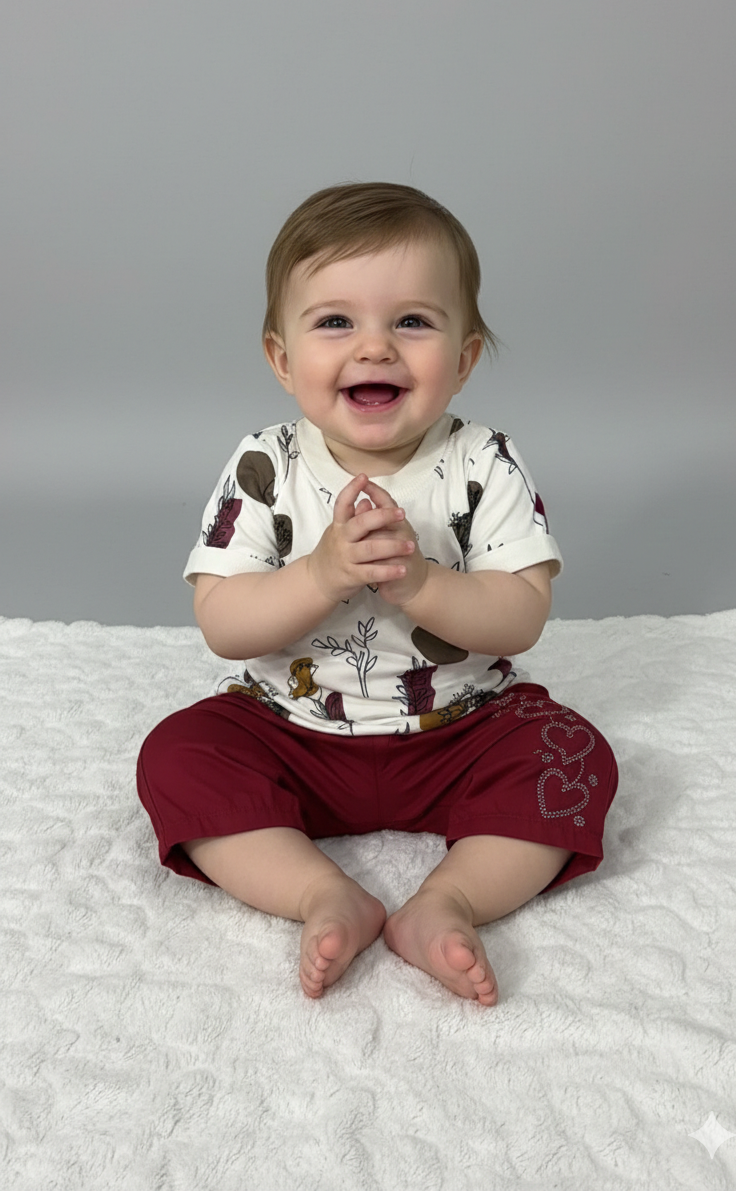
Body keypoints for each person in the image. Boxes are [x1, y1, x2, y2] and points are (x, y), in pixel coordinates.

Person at [137, 182, 618, 1006]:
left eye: (412, 321)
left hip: (461, 727)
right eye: (335, 322)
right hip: (294, 729)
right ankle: (323, 895)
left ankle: (447, 901)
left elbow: (521, 614)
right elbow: (223, 623)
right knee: (177, 755)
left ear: (463, 359)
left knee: (572, 755)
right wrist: (321, 574)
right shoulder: (265, 465)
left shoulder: (485, 460)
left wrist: (423, 581)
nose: (375, 348)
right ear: (282, 359)